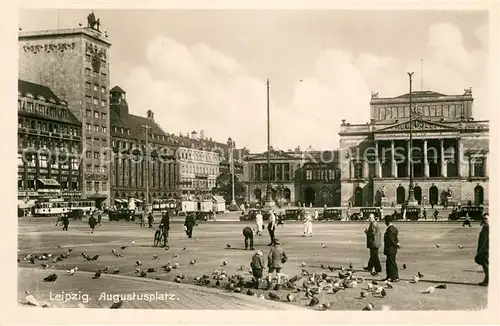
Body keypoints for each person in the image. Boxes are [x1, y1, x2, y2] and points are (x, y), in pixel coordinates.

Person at [383, 215, 400, 282]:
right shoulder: (393, 228)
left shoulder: (390, 230)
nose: (384, 222)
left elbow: (392, 240)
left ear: (387, 221)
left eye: (385, 221)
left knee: (391, 263)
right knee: (389, 262)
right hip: (391, 249)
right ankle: (389, 276)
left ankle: (394, 277)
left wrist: (396, 245)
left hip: (390, 249)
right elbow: (395, 239)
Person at [475, 213, 489, 286]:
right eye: (484, 218)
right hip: (486, 249)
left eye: (486, 218)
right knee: (486, 266)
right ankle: (486, 280)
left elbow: (483, 240)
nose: (484, 220)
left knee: (486, 266)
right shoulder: (486, 227)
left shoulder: (487, 228)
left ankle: (487, 281)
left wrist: (480, 251)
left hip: (485, 250)